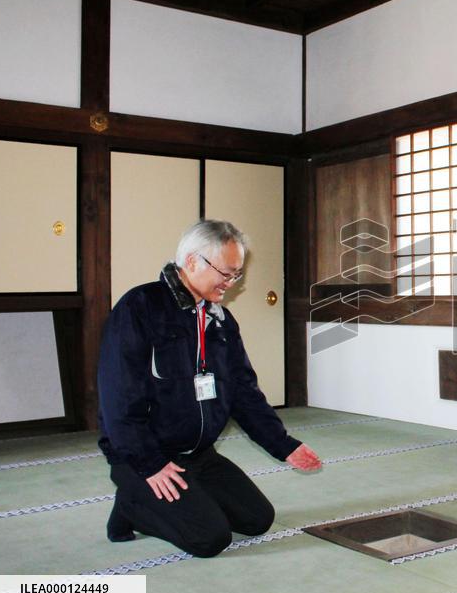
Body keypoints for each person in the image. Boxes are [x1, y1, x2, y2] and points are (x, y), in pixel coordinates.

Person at [97, 220, 321, 558]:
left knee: (258, 519)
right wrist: (148, 463)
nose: (231, 284)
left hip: (199, 456)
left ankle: (165, 499)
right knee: (210, 539)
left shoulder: (220, 321)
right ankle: (133, 502)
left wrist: (283, 445)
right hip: (146, 455)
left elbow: (244, 392)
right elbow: (118, 396)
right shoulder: (140, 307)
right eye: (226, 273)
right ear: (192, 262)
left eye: (237, 275)